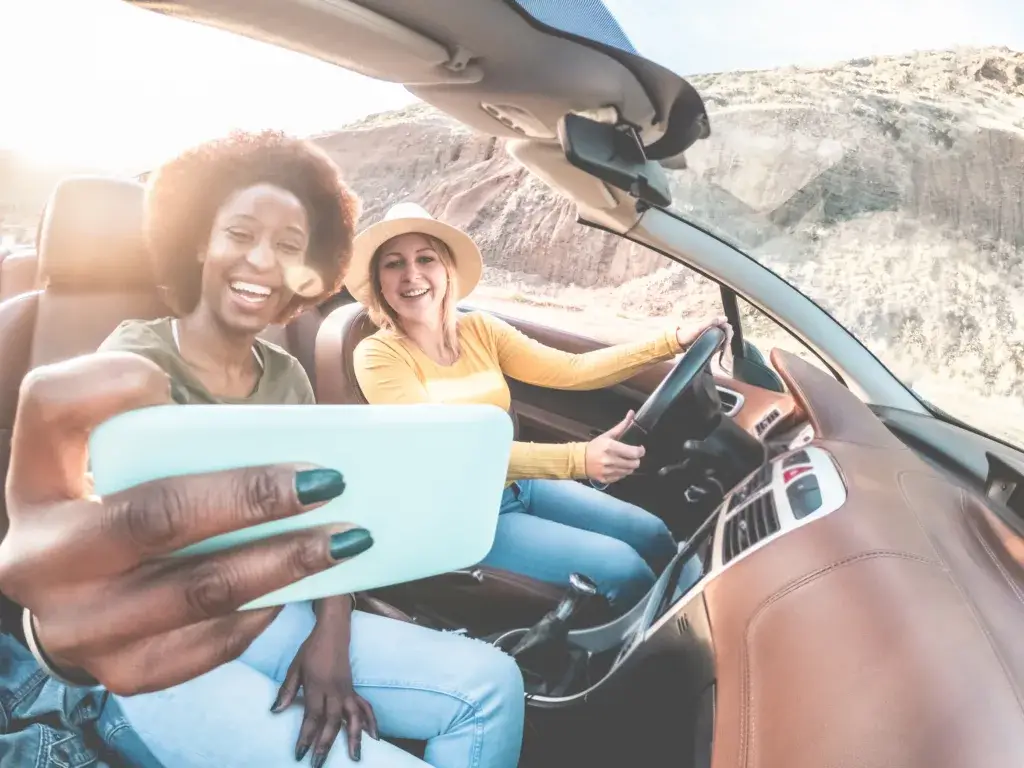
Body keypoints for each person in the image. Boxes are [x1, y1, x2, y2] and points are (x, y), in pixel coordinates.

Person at [6, 131, 526, 768]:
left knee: (494, 684)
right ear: (199, 241)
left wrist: (330, 640)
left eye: (289, 246)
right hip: (158, 637)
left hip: (276, 610)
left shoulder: (287, 375)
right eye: (240, 234)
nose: (262, 261)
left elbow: (325, 518)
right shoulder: (131, 359)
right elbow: (92, 535)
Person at [347, 203, 728, 616]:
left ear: (447, 272)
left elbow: (573, 370)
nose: (411, 275)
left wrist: (670, 341)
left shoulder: (479, 329)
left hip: (517, 484)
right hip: (458, 515)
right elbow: (444, 448)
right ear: (379, 284)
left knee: (653, 533)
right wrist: (579, 459)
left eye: (426, 259)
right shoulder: (377, 355)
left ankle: (705, 616)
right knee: (623, 569)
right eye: (393, 264)